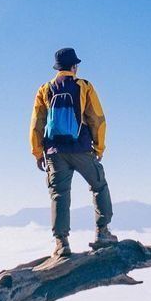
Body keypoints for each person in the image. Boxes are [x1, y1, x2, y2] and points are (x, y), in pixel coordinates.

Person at [29, 47, 117, 258]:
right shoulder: (83, 86)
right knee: (99, 186)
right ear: (74, 66)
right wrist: (99, 147)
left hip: (54, 151)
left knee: (59, 195)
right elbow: (97, 118)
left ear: (57, 68)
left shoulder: (45, 89)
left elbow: (36, 123)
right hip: (81, 148)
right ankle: (102, 232)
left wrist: (37, 152)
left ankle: (61, 243)